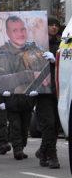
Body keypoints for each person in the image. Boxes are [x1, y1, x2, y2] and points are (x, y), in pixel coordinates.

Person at [34, 16, 62, 168]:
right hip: (43, 91)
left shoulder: (62, 46)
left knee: (56, 124)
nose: (54, 27)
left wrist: (57, 60)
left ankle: (43, 151)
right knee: (49, 124)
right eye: (51, 25)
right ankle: (52, 155)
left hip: (59, 91)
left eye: (56, 25)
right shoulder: (38, 45)